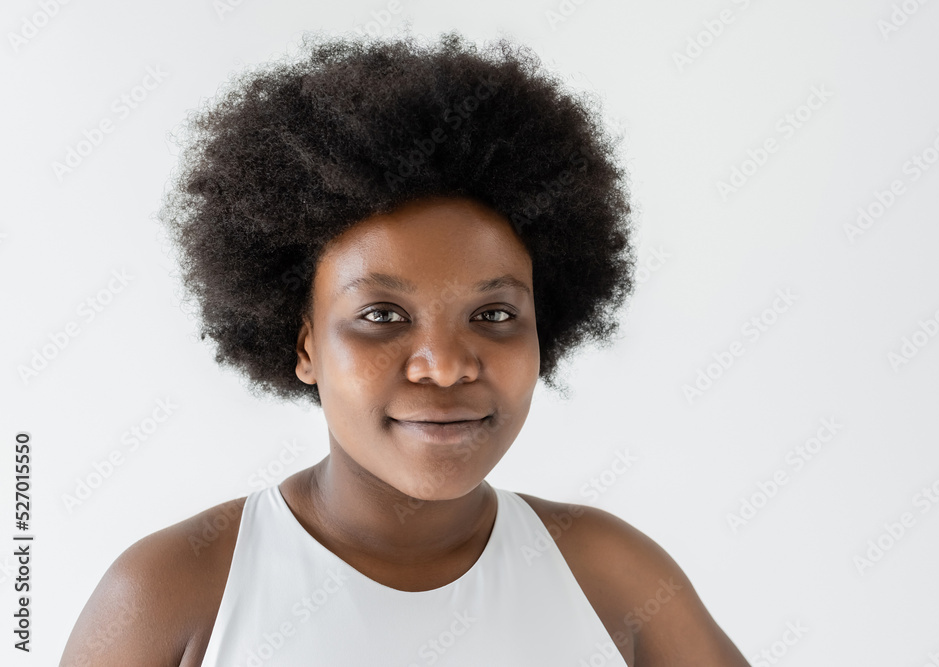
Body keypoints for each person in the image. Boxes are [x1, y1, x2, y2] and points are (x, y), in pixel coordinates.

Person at [60, 29, 751, 666]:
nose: (446, 364)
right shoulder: (176, 592)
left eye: (494, 312)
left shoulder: (613, 576)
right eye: (383, 314)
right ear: (302, 343)